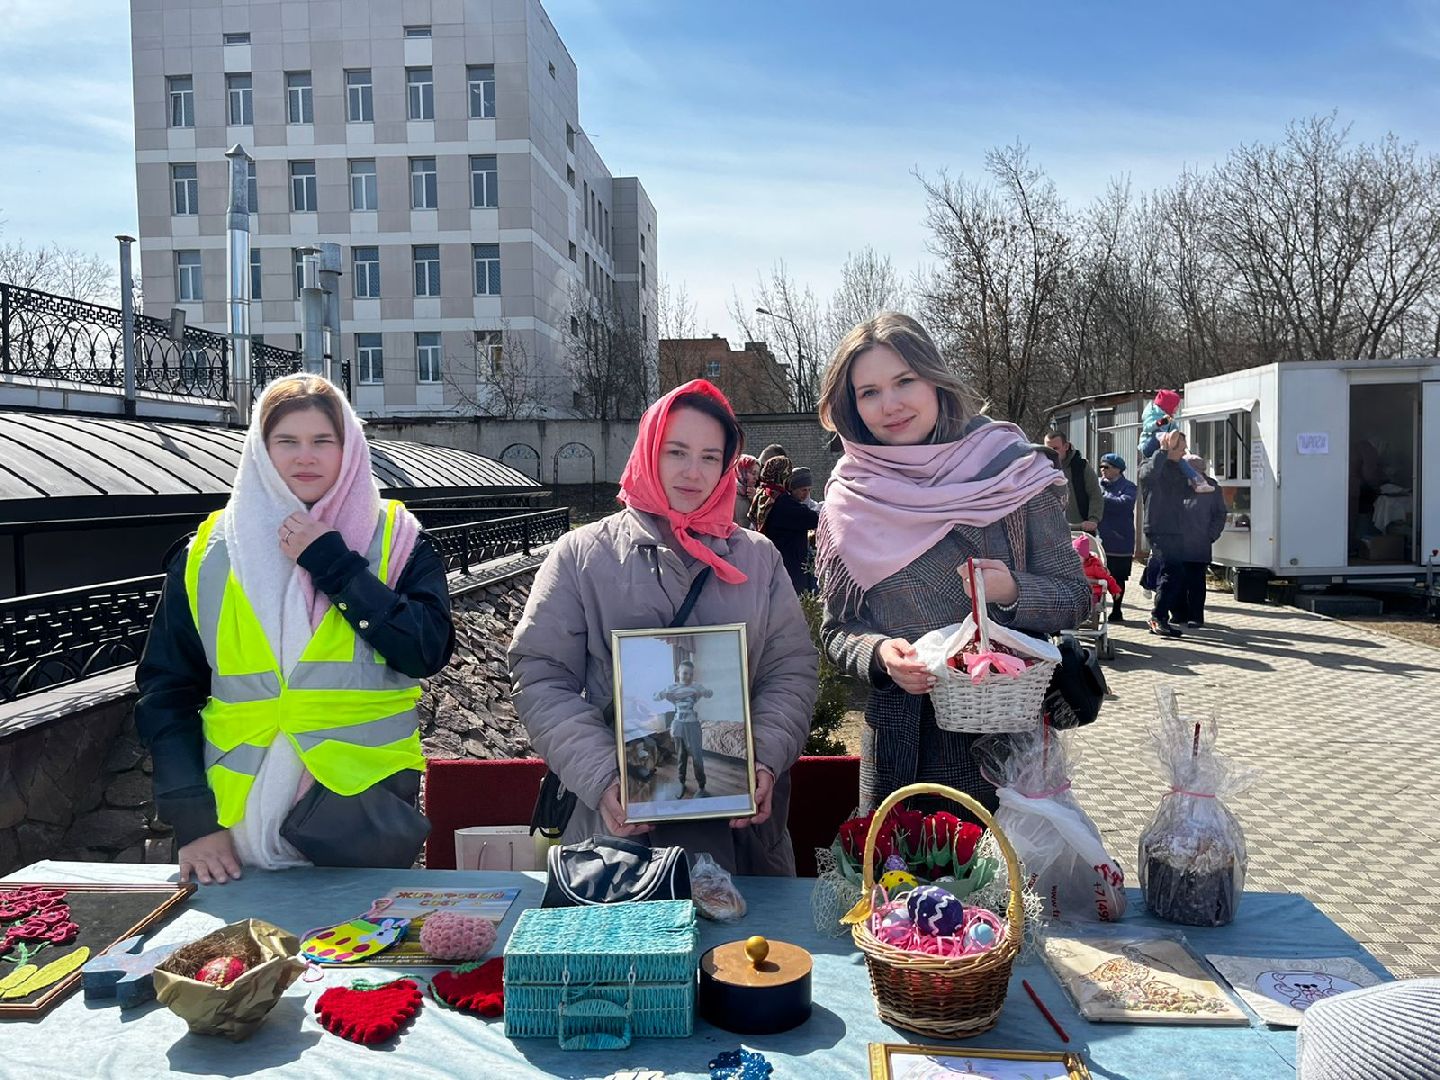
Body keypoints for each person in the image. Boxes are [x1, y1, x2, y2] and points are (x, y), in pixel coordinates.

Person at [135, 375, 455, 884]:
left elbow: (425, 649)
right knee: (237, 960)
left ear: (348, 448)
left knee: (363, 958)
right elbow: (166, 692)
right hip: (231, 819)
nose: (305, 457)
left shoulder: (397, 538)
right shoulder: (207, 553)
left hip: (358, 809)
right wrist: (193, 821)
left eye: (322, 441)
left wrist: (332, 561)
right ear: (261, 451)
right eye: (287, 441)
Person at [508, 379, 817, 875]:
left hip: (742, 846)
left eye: (710, 457)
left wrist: (763, 760)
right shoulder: (583, 556)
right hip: (616, 847)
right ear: (649, 450)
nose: (693, 473)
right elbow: (540, 676)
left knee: (744, 954)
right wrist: (604, 777)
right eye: (677, 452)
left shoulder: (758, 560)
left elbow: (791, 670)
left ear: (727, 466)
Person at [816, 313, 1091, 815]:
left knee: (1005, 890)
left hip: (1004, 752)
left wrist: (1012, 591)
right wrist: (878, 655)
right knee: (899, 889)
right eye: (869, 392)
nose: (891, 405)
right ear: (852, 406)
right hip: (901, 754)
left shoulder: (1013, 471)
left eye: (905, 381)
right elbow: (837, 630)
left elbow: (1075, 597)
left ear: (934, 379)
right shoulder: (848, 498)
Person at [1137, 429, 1191, 638]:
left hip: (1176, 527)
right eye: (1181, 446)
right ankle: (1157, 617)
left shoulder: (1178, 468)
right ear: (1167, 447)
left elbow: (1184, 491)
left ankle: (1161, 616)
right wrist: (1162, 450)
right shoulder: (1150, 466)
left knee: (1177, 573)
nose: (1185, 451)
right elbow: (1150, 474)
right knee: (1171, 571)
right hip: (1158, 527)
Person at [1172, 454, 1227, 629]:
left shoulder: (1211, 488)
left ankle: (1196, 616)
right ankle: (1179, 614)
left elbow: (1220, 514)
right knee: (1177, 580)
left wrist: (1211, 535)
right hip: (1177, 543)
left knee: (1196, 582)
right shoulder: (1177, 486)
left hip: (1199, 542)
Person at [752, 455, 820, 595]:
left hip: (771, 559)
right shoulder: (782, 502)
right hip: (789, 563)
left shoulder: (764, 495)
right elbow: (813, 519)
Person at [654, 660, 714, 797]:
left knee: (697, 757)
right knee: (681, 757)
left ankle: (701, 786)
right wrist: (662, 694)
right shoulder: (672, 687)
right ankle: (681, 783)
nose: (688, 676)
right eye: (685, 673)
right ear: (678, 673)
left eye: (690, 674)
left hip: (692, 725)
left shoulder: (695, 686)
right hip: (678, 725)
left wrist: (706, 692)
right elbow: (655, 697)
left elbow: (709, 693)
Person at [1139, 389, 1214, 493]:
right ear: (1168, 405)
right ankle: (1167, 439)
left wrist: (1182, 444)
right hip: (1149, 445)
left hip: (1164, 448)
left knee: (1180, 460)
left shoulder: (1170, 418)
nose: (1177, 408)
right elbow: (1147, 428)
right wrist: (1160, 423)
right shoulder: (1152, 414)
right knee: (1159, 434)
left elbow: (1175, 430)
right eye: (1176, 406)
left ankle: (1198, 482)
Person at [1097, 452, 1137, 623]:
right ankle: (1095, 609)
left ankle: (1117, 609)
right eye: (1101, 467)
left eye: (1107, 467)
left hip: (1120, 539)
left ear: (1118, 470)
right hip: (1100, 539)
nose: (1102, 470)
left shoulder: (1129, 486)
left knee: (1118, 576)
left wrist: (1101, 499)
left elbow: (1124, 503)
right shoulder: (1098, 485)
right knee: (1096, 575)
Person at [1043, 430, 1104, 535]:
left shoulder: (1081, 467)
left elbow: (1095, 494)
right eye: (1047, 449)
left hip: (1079, 530)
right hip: (1049, 531)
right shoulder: (1040, 470)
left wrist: (1093, 519)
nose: (1051, 453)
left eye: (1055, 448)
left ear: (1066, 446)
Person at [1073, 534, 1120, 607]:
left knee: (1091, 600)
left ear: (1085, 556)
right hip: (1076, 592)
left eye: (1078, 556)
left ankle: (1093, 611)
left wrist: (1114, 590)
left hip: (1092, 592)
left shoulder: (1094, 567)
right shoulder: (1071, 566)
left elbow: (1107, 578)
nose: (1075, 558)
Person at [733, 453, 759, 527]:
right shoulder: (729, 494)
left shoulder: (755, 494)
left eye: (757, 474)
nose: (756, 478)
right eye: (753, 473)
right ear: (741, 472)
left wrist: (755, 501)